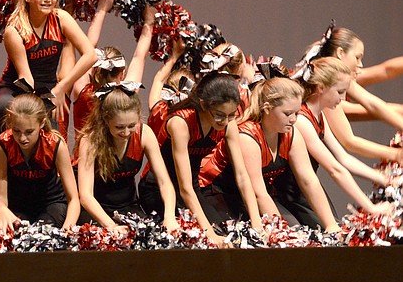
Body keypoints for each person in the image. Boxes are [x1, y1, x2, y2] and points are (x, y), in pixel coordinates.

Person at [138, 73, 259, 246]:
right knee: (201, 239)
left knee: (227, 234)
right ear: (203, 105)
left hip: (193, 190)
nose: (225, 121)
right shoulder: (181, 123)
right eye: (219, 115)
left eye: (231, 115)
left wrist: (256, 222)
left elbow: (242, 175)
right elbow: (184, 188)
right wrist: (210, 234)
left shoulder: (228, 125)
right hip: (160, 190)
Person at [208, 77, 341, 232]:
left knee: (300, 230)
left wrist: (331, 225)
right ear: (267, 108)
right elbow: (258, 193)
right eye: (287, 113)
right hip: (223, 196)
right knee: (284, 236)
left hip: (257, 197)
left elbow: (308, 180)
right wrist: (284, 234)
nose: (293, 119)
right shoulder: (247, 136)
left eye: (296, 113)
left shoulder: (290, 133)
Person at [0, 0, 96, 132]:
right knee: (23, 116)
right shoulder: (14, 30)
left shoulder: (61, 18)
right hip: (16, 89)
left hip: (50, 89)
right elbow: (26, 78)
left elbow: (91, 55)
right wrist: (41, 106)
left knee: (51, 135)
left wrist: (61, 88)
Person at [294, 57, 394, 215]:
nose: (342, 99)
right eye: (340, 92)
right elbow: (335, 169)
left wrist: (385, 179)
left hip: (302, 190)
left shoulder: (320, 115)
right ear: (321, 87)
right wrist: (371, 208)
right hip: (288, 194)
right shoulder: (302, 120)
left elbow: (343, 158)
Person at [76, 83, 179, 233]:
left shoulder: (144, 133)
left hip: (129, 207)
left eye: (131, 125)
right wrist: (111, 226)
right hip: (97, 210)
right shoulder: (90, 141)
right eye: (119, 127)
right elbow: (86, 196)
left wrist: (169, 217)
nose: (126, 132)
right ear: (106, 120)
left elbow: (164, 182)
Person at [298, 24, 403, 161]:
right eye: (357, 58)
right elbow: (349, 140)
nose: (360, 64)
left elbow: (373, 102)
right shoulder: (325, 88)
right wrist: (396, 155)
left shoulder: (339, 77)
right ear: (340, 53)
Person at [71, 0, 154, 148]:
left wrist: (102, 8)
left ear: (94, 68)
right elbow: (139, 57)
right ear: (122, 73)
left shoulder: (82, 90)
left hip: (82, 159)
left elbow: (89, 47)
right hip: (115, 162)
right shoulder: (126, 95)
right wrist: (149, 21)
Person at [0, 94, 80, 232]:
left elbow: (73, 198)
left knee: (43, 234)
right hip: (18, 207)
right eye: (16, 131)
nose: (22, 138)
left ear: (42, 123)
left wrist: (67, 228)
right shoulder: (1, 145)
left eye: (29, 132)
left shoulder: (55, 144)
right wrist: (2, 209)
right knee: (16, 235)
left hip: (51, 204)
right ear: (10, 122)